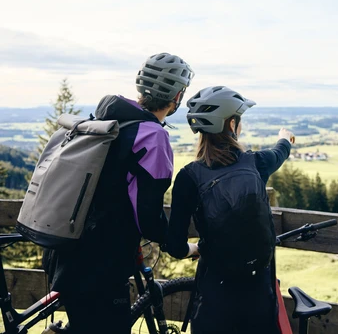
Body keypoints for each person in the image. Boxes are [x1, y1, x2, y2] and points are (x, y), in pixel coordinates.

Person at [43, 52, 194, 334]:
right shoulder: (152, 136)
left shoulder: (108, 121)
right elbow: (148, 216)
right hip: (102, 265)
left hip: (67, 251)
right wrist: (180, 246)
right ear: (177, 96)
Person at [165, 86, 294, 334]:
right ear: (232, 124)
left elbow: (175, 244)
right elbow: (279, 153)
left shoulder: (188, 177)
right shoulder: (256, 163)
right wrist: (284, 138)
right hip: (258, 290)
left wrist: (194, 248)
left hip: (216, 292)